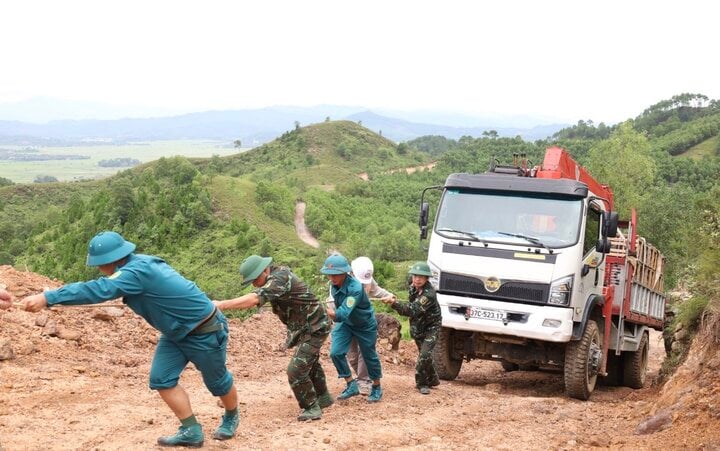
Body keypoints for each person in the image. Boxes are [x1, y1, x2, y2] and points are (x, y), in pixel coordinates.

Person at [19, 231, 239, 448]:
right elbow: (108, 285)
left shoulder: (134, 273)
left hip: (204, 330)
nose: (98, 268)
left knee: (216, 382)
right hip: (174, 333)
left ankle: (231, 416)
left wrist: (48, 297)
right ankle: (191, 430)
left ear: (110, 260)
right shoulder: (136, 266)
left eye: (98, 263)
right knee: (161, 379)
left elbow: (98, 289)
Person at [214, 255, 333, 421]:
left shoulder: (280, 278)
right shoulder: (275, 278)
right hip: (306, 327)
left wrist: (221, 304)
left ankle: (311, 407)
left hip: (315, 326)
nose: (254, 284)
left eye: (255, 279)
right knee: (310, 362)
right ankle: (324, 397)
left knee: (296, 370)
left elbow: (254, 299)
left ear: (265, 270)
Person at [322, 254, 383, 402]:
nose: (332, 278)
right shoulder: (334, 284)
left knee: (369, 356)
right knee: (336, 353)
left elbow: (342, 313)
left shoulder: (355, 288)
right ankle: (351, 384)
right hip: (346, 324)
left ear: (345, 272)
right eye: (330, 275)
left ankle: (376, 387)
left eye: (336, 274)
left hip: (364, 324)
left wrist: (330, 313)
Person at [383, 261, 441, 394]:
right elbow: (412, 305)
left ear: (427, 279)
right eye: (415, 276)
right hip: (418, 326)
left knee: (424, 355)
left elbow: (413, 310)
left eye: (421, 277)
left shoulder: (429, 294)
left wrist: (394, 303)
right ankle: (433, 379)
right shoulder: (412, 288)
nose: (417, 279)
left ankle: (422, 384)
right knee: (424, 355)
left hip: (431, 327)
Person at [343, 257, 394, 394]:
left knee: (364, 350)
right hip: (346, 321)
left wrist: (389, 296)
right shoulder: (341, 280)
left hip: (363, 320)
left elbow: (377, 291)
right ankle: (364, 378)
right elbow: (333, 302)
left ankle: (363, 380)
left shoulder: (367, 278)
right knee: (351, 355)